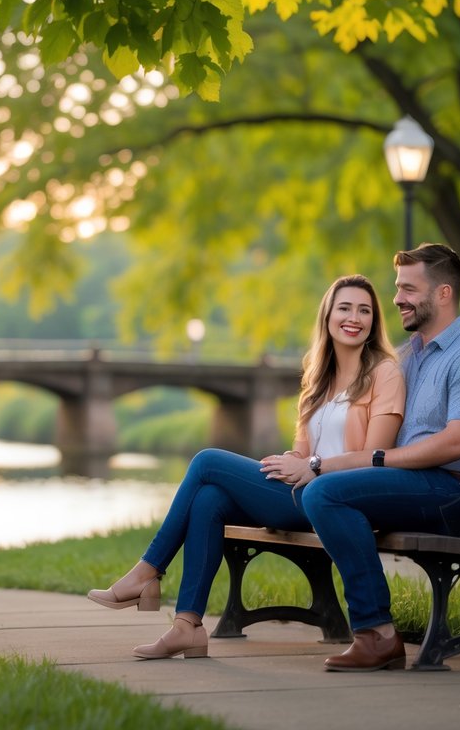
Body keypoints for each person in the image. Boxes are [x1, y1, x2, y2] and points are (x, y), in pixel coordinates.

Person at [87, 274, 406, 660]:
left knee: (206, 461)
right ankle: (186, 627)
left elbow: (376, 455)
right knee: (209, 498)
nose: (353, 317)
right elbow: (302, 450)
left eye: (364, 310)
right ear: (327, 316)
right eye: (344, 308)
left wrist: (315, 467)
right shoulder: (318, 379)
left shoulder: (384, 373)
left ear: (374, 321)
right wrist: (292, 460)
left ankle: (148, 571)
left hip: (338, 498)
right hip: (304, 489)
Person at [291, 242, 460, 672]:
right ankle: (375, 633)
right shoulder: (408, 358)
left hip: (451, 493)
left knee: (324, 495)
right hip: (413, 484)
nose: (396, 299)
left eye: (408, 288)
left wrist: (376, 461)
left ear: (443, 294)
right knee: (319, 491)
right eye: (397, 287)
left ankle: (377, 634)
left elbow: (459, 443)